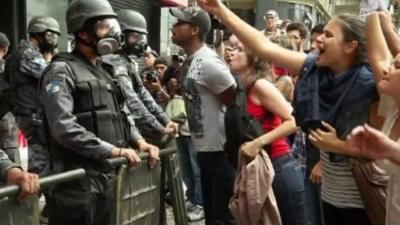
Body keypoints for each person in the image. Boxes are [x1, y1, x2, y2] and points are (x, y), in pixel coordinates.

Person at [196, 1, 377, 225]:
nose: (318, 38)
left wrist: (339, 146)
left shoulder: (371, 84)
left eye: (329, 35)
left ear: (350, 46)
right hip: (330, 192)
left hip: (362, 197)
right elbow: (264, 46)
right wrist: (221, 11)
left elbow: (384, 149)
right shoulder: (316, 68)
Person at [39, 0, 159, 224]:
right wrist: (114, 151)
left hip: (106, 177)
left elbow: (121, 112)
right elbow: (62, 127)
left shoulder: (105, 70)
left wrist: (140, 142)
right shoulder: (61, 70)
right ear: (83, 31)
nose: (112, 32)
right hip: (75, 186)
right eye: (104, 26)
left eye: (112, 25)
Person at [170, 6, 237, 225]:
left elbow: (234, 101)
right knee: (211, 213)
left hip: (220, 151)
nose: (173, 27)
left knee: (222, 217)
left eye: (180, 23)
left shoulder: (209, 61)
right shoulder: (189, 60)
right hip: (203, 148)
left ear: (194, 30)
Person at [227, 38, 303, 225]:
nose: (231, 52)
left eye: (239, 49)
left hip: (279, 168)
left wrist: (258, 142)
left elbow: (294, 120)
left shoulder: (260, 86)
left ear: (254, 58)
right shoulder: (242, 88)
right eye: (231, 48)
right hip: (260, 170)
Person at [343, 12, 400, 225]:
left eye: (398, 67)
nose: (387, 69)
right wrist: (375, 16)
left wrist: (390, 150)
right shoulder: (394, 106)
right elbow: (378, 58)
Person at [101, 9, 177, 140]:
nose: (141, 42)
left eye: (142, 37)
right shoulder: (112, 62)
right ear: (120, 36)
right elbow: (131, 100)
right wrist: (160, 128)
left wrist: (165, 121)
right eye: (135, 37)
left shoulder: (127, 62)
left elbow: (142, 93)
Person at [5, 16, 60, 176]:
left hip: (28, 114)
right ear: (38, 34)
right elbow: (53, 78)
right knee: (41, 164)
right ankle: (34, 197)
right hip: (33, 117)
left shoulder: (20, 53)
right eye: (51, 35)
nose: (54, 41)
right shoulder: (28, 54)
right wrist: (50, 60)